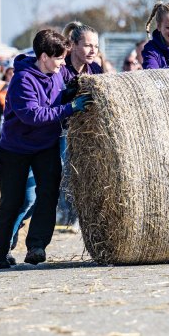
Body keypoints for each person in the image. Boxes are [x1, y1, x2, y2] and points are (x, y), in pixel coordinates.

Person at [0, 29, 91, 270]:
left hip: (45, 146)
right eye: (58, 59)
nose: (62, 63)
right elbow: (33, 115)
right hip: (16, 149)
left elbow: (57, 96)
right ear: (44, 56)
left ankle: (37, 246)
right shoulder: (22, 80)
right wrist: (69, 108)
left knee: (48, 195)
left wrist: (71, 93)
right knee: (13, 201)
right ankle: (1, 252)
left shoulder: (56, 74)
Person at [58, 22, 104, 230]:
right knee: (64, 174)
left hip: (87, 132)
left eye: (95, 45)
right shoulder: (61, 68)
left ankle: (81, 217)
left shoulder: (95, 69)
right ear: (73, 45)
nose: (92, 50)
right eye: (87, 45)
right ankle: (63, 214)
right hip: (61, 132)